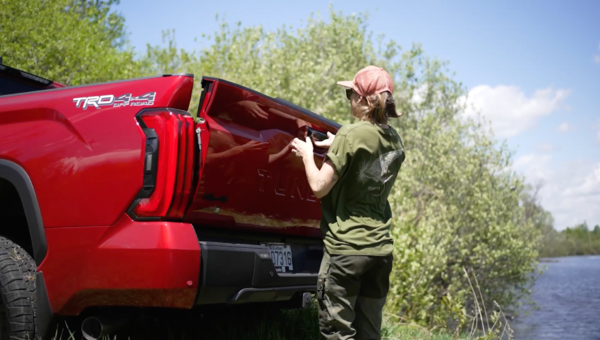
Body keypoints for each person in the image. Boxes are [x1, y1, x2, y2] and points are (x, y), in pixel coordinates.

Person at [291, 65, 405, 340]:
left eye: (350, 93)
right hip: (379, 252)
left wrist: (307, 154)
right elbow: (367, 161)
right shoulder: (395, 140)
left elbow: (319, 187)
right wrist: (338, 144)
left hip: (347, 250)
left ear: (364, 101)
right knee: (369, 332)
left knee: (338, 332)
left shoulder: (350, 134)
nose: (349, 98)